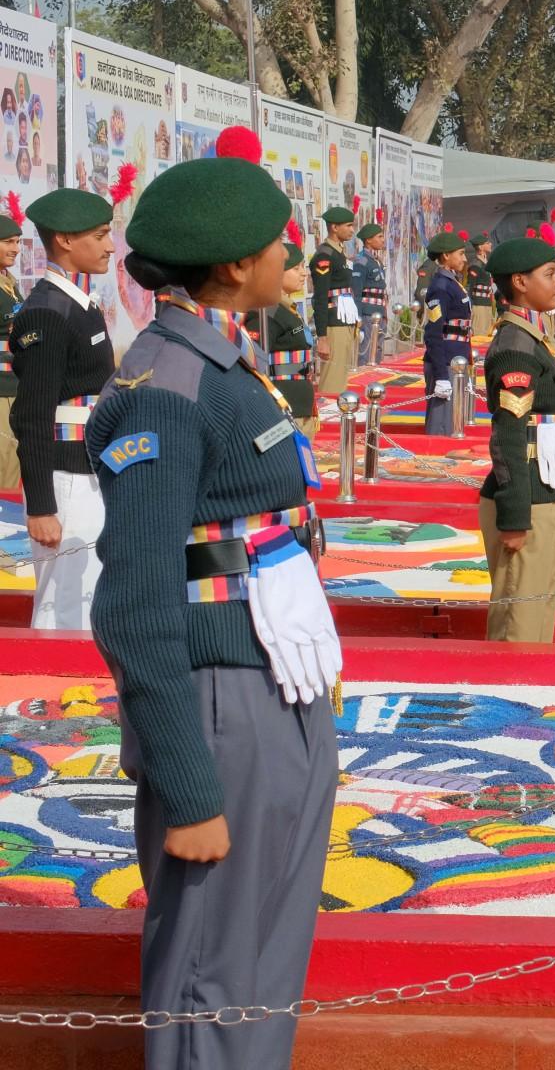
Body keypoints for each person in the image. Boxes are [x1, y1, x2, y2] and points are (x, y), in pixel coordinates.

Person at [89, 129, 339, 1069]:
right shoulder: (170, 387)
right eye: (281, 241)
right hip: (221, 700)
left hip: (269, 676)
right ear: (237, 265)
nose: (292, 255)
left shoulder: (223, 359)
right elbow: (137, 606)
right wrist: (189, 786)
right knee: (214, 976)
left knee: (265, 958)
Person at [14, 184, 117, 629]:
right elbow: (33, 416)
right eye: (100, 235)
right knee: (64, 608)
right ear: (65, 240)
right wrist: (41, 506)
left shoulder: (78, 304)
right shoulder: (46, 312)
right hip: (65, 479)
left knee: (91, 597)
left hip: (89, 466)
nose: (111, 246)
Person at [479, 236, 555, 643]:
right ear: (520, 281)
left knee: (539, 607)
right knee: (519, 622)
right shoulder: (516, 347)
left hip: (546, 488)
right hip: (527, 494)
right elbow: (508, 434)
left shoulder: (533, 338)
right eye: (550, 274)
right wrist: (514, 516)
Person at [246, 241, 320, 440]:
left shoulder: (286, 309)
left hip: (299, 402)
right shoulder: (267, 313)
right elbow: (253, 361)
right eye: (296, 268)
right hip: (284, 405)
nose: (304, 274)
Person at [421, 232, 473, 436]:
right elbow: (434, 333)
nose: (464, 258)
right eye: (460, 253)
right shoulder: (441, 287)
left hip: (456, 359)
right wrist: (442, 375)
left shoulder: (453, 282)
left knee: (453, 422)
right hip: (445, 360)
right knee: (441, 425)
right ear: (445, 256)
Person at [308, 205, 359, 396]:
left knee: (341, 376)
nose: (352, 230)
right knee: (332, 381)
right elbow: (321, 298)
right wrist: (322, 337)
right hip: (333, 323)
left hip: (344, 320)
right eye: (348, 225)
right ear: (334, 228)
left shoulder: (339, 252)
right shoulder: (325, 255)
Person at [0, 194, 25, 491]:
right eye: (8, 242)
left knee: (14, 466)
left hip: (15, 385)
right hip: (1, 392)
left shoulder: (10, 283)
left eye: (18, 242)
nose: (16, 249)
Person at [350, 219, 387, 364]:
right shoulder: (361, 261)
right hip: (367, 314)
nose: (383, 240)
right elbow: (356, 291)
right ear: (368, 240)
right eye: (379, 236)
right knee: (365, 351)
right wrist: (358, 317)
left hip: (379, 313)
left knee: (377, 350)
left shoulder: (376, 260)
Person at [466, 231, 496, 339]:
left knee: (488, 335)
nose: (490, 244)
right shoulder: (475, 265)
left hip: (487, 304)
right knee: (479, 336)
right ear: (480, 247)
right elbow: (469, 287)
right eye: (487, 243)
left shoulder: (485, 262)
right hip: (479, 305)